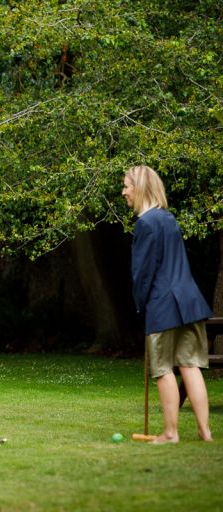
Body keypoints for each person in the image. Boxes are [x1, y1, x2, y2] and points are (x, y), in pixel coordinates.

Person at [122, 165, 213, 444]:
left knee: (162, 369)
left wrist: (140, 304)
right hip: (189, 301)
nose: (124, 191)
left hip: (163, 305)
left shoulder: (145, 224)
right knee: (190, 366)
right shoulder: (169, 218)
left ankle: (171, 433)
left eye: (126, 186)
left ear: (139, 188)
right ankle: (205, 432)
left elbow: (143, 273)